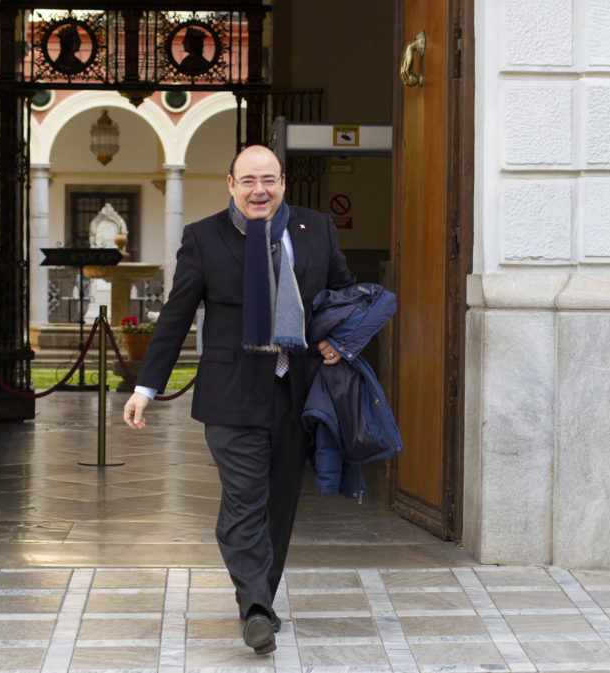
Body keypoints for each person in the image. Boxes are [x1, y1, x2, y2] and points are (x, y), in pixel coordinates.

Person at [123, 145, 355, 655]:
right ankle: (253, 608)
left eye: (268, 179)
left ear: (283, 182)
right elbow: (176, 314)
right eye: (248, 180)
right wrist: (146, 387)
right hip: (231, 395)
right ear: (230, 184)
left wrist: (337, 340)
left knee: (280, 502)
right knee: (245, 498)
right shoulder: (205, 238)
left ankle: (262, 601)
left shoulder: (314, 230)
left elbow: (342, 296)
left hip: (296, 392)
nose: (259, 190)